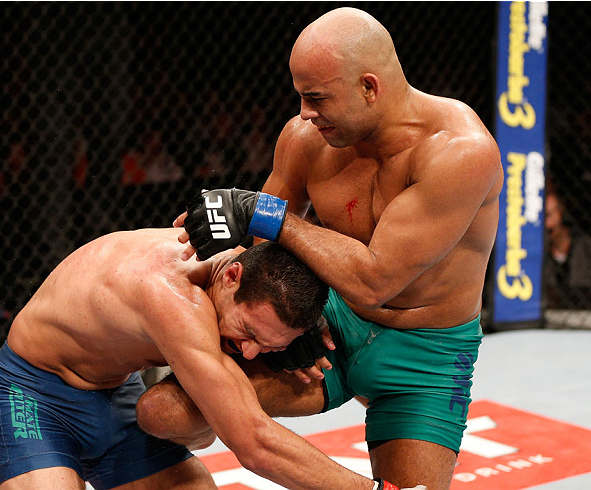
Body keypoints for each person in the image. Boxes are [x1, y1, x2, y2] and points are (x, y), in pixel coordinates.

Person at [143, 7, 503, 490]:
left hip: (425, 354)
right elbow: (255, 254)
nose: (305, 113)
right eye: (300, 97)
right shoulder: (306, 140)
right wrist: (292, 316)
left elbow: (375, 279)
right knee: (164, 412)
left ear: (369, 87)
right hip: (329, 326)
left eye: (316, 98)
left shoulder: (460, 152)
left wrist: (264, 213)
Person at [0, 228, 417, 490]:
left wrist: (305, 327)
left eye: (266, 346)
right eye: (247, 333)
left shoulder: (244, 269)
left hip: (116, 396)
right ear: (231, 276)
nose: (249, 352)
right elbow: (254, 444)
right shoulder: (171, 297)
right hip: (33, 397)